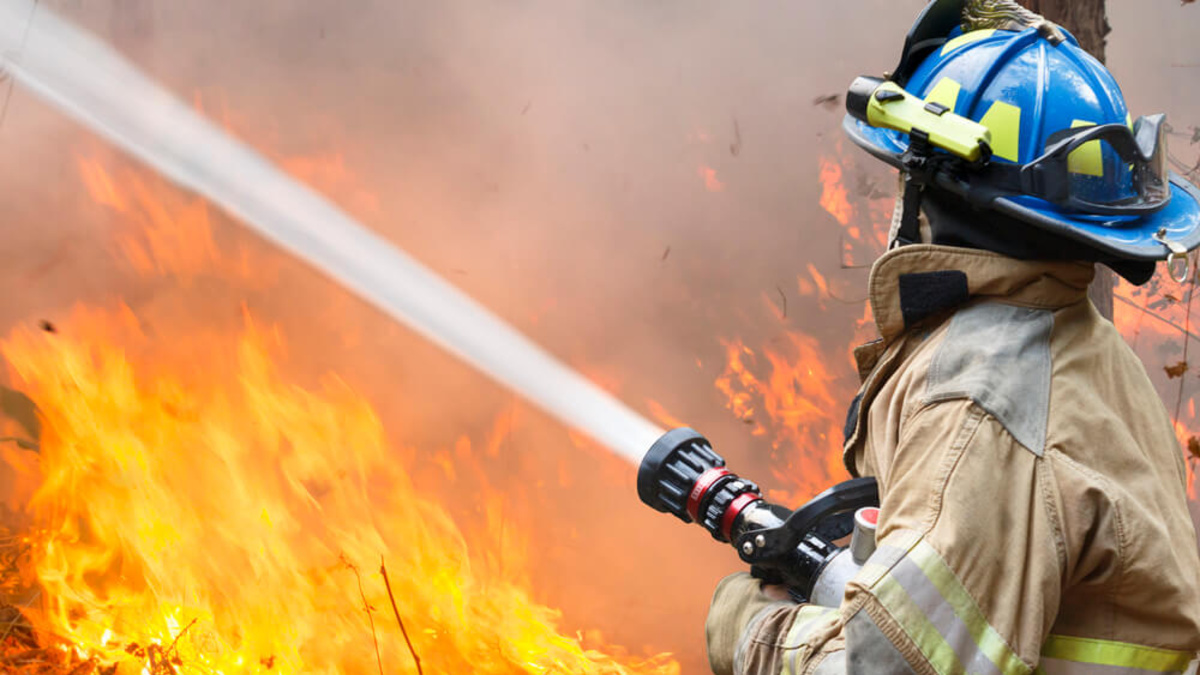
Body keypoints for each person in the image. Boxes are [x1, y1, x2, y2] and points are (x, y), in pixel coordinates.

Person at [704, 1, 1200, 673]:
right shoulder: (1079, 342)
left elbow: (883, 668)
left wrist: (749, 629)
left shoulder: (979, 402)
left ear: (934, 194)